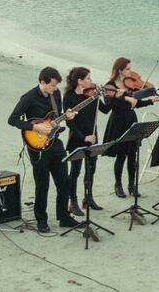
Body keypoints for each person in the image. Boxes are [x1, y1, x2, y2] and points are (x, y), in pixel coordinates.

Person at [8, 66, 79, 233]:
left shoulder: (56, 94)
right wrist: (35, 127)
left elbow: (56, 117)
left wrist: (66, 115)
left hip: (55, 142)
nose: (55, 88)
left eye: (56, 85)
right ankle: (41, 220)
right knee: (43, 184)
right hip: (37, 146)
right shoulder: (29, 97)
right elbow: (12, 119)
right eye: (52, 85)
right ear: (42, 82)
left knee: (64, 181)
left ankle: (64, 217)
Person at [100, 57, 159, 198]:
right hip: (118, 122)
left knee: (133, 156)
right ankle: (118, 185)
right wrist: (122, 97)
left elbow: (136, 104)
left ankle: (132, 186)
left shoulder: (130, 85)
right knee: (121, 156)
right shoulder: (110, 86)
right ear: (120, 70)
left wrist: (151, 100)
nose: (131, 72)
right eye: (128, 69)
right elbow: (108, 106)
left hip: (131, 119)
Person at [62, 67, 102, 216]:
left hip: (93, 136)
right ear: (80, 81)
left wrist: (107, 96)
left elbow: (105, 109)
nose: (91, 81)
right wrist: (84, 137)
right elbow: (69, 122)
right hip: (77, 138)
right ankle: (73, 202)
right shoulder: (69, 97)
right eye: (88, 78)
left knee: (91, 168)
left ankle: (88, 198)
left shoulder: (91, 94)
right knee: (75, 171)